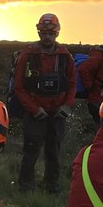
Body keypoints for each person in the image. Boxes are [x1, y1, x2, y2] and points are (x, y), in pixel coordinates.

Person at [13, 13, 76, 193]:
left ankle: (52, 188)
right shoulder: (27, 55)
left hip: (58, 114)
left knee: (54, 154)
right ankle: (25, 190)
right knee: (30, 153)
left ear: (57, 33)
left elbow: (72, 84)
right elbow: (19, 87)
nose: (47, 37)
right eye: (43, 33)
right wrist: (34, 110)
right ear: (39, 32)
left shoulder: (65, 56)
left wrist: (67, 106)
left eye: (50, 33)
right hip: (35, 114)